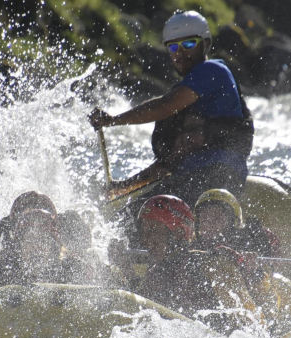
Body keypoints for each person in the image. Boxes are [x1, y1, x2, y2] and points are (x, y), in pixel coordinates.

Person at [89, 10, 254, 206]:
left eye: (189, 44)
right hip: (189, 177)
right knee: (131, 214)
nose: (180, 53)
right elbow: (165, 165)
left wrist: (113, 120)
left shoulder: (213, 71)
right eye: (173, 47)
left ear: (206, 44)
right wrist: (121, 187)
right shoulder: (185, 103)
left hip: (218, 175)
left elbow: (164, 105)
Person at [120, 194, 261, 332]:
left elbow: (249, 324)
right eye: (144, 232)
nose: (146, 240)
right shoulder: (156, 273)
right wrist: (124, 268)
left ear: (179, 233)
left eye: (153, 231)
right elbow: (136, 308)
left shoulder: (212, 264)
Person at [192, 188, 291, 333]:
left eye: (217, 219)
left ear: (232, 223)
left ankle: (255, 330)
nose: (210, 225)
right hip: (210, 312)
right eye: (204, 219)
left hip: (254, 315)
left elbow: (265, 295)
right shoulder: (192, 246)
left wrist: (252, 271)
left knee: (288, 288)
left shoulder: (249, 245)